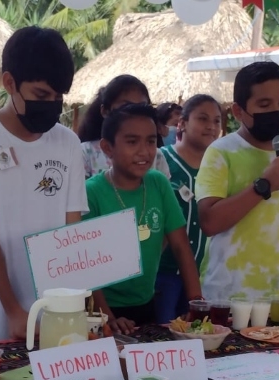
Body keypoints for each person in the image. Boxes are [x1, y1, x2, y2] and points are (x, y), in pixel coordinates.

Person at [0, 26, 86, 342]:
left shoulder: (68, 143)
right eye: (41, 95)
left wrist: (76, 303)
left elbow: (72, 232)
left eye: (58, 97)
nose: (51, 104)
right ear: (9, 83)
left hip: (59, 309)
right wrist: (13, 309)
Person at [196, 61, 279, 303]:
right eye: (264, 104)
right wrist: (265, 184)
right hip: (229, 295)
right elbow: (209, 222)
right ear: (238, 111)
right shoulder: (221, 152)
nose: (276, 111)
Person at [86, 104, 201, 333]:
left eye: (150, 141)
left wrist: (196, 301)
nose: (144, 151)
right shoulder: (91, 192)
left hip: (146, 302)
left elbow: (180, 246)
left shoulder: (158, 183)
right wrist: (106, 317)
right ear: (107, 147)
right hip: (101, 310)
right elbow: (86, 266)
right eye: (132, 142)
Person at [155, 94, 223, 323]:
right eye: (203, 119)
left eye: (217, 121)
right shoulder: (161, 161)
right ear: (181, 123)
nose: (211, 127)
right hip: (162, 274)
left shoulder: (220, 168)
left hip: (203, 275)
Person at [76, 75, 171, 179]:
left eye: (141, 107)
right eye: (126, 107)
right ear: (105, 111)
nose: (135, 115)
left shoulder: (156, 157)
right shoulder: (84, 153)